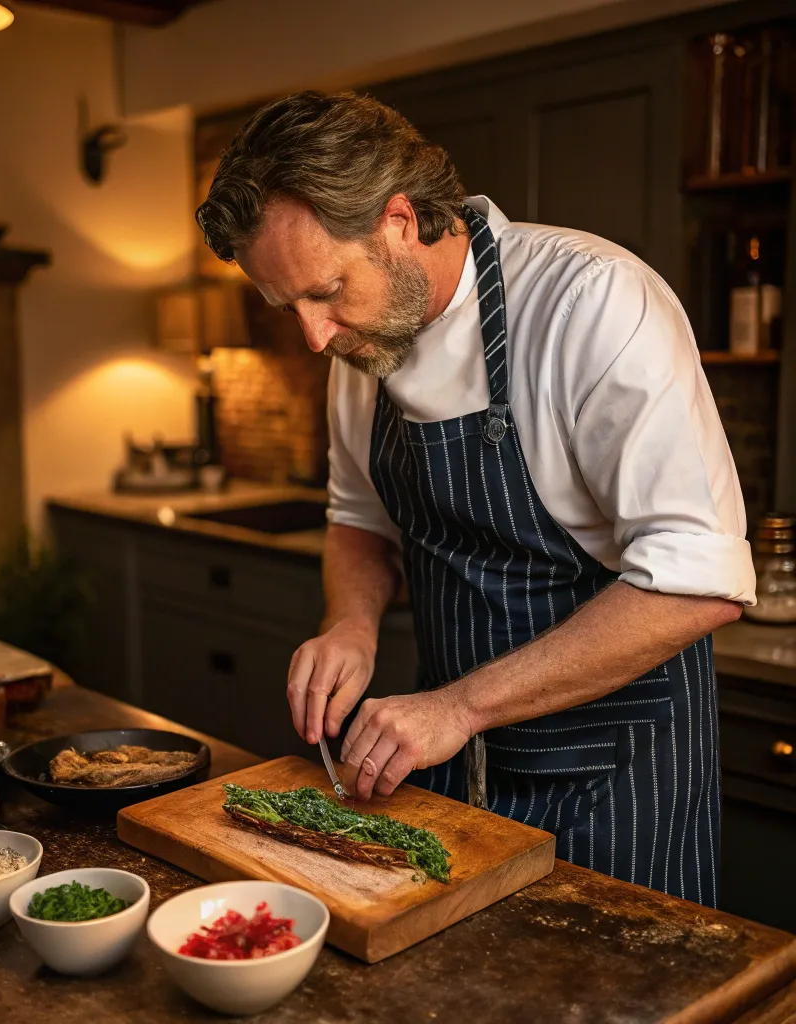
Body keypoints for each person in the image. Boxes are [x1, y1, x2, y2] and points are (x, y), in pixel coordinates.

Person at [195, 90, 755, 905]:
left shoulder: (591, 303)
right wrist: (348, 625)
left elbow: (697, 583)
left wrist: (460, 706)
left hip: (613, 770)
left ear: (398, 221)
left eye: (325, 291)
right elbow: (358, 519)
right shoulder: (359, 345)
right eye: (290, 308)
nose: (314, 334)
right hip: (446, 762)